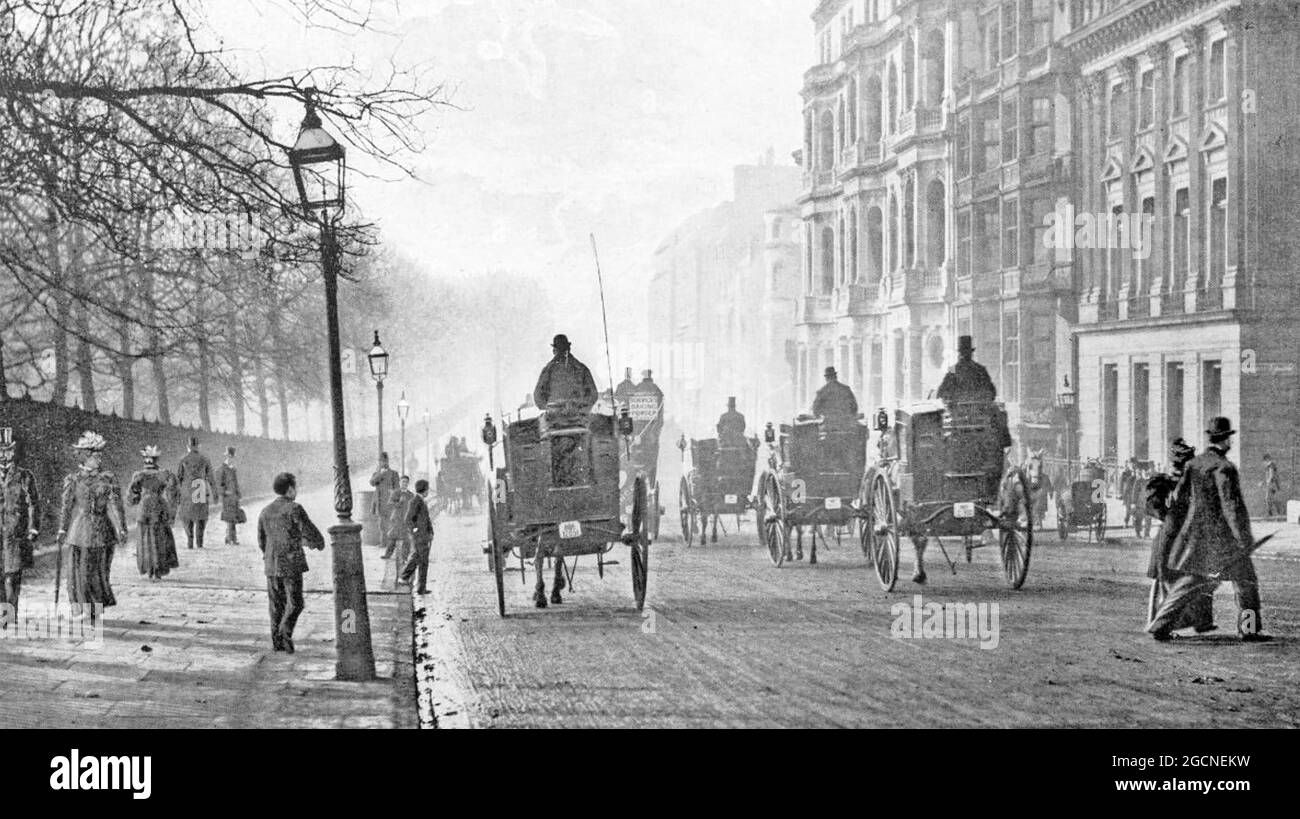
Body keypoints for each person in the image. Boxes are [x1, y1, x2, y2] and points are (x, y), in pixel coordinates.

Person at [1148, 418, 1271, 642]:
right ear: (1225, 440)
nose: (1230, 442)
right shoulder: (1224, 467)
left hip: (1196, 539)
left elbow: (1178, 498)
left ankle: (1160, 625)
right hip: (1224, 541)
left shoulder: (1193, 464)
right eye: (1229, 438)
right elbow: (1231, 506)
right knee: (1246, 583)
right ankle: (1250, 630)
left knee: (1190, 583)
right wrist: (1243, 538)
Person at [1144, 439, 1213, 634]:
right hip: (1172, 537)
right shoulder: (1165, 481)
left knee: (1195, 577)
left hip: (1190, 537)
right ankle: (1161, 625)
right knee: (1168, 581)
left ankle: (1199, 620)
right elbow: (1152, 506)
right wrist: (1169, 517)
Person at [57, 431, 128, 622]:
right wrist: (62, 529)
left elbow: (116, 504)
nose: (99, 459)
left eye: (100, 456)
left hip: (103, 530)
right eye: (95, 456)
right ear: (85, 458)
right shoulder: (73, 480)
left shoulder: (108, 479)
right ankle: (81, 608)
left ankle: (96, 608)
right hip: (79, 530)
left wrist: (122, 527)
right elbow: (66, 507)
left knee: (99, 571)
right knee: (79, 572)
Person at [257, 473, 325, 653]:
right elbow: (309, 531)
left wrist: (270, 555)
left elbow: (261, 541)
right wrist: (318, 543)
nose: (297, 491)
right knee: (296, 603)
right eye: (295, 487)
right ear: (290, 489)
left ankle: (277, 642)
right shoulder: (294, 508)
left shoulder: (265, 510)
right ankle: (284, 632)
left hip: (271, 564)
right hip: (291, 563)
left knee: (275, 605)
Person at [0, 429, 39, 628]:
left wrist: (32, 528)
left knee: (12, 575)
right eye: (1, 450)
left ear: (13, 452)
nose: (3, 454)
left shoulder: (24, 476)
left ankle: (9, 615)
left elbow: (33, 503)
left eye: (7, 451)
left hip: (15, 533)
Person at [128, 446, 180, 581]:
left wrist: (137, 499)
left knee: (145, 538)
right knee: (160, 537)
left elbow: (131, 497)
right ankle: (159, 569)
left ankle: (149, 568)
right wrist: (171, 510)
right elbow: (173, 492)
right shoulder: (164, 474)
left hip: (144, 508)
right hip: (159, 506)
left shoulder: (139, 475)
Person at [533, 334, 599, 413]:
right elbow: (593, 395)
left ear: (554, 350)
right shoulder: (581, 368)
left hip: (555, 417)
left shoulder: (548, 370)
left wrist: (549, 407)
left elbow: (538, 397)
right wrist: (582, 408)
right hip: (577, 417)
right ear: (568, 348)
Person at [176, 437, 214, 549]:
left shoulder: (183, 460)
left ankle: (190, 540)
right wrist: (214, 493)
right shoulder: (205, 459)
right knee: (201, 516)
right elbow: (211, 477)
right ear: (198, 446)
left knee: (187, 515)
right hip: (200, 489)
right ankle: (200, 542)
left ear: (188, 447)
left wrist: (178, 494)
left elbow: (179, 478)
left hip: (187, 490)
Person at [936, 336, 997, 404]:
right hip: (977, 410)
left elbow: (941, 392)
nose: (965, 354)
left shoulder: (954, 369)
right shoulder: (980, 369)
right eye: (964, 352)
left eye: (965, 352)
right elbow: (992, 393)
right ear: (971, 353)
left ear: (959, 353)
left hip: (959, 411)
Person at [399, 479, 434, 595]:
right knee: (421, 561)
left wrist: (430, 532)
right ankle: (413, 583)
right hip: (420, 536)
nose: (428, 491)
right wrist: (415, 531)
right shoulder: (416, 501)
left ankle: (415, 584)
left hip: (424, 536)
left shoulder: (420, 500)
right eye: (428, 489)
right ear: (425, 489)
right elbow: (408, 519)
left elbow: (426, 519)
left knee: (419, 558)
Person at [382, 475, 415, 564]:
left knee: (406, 539)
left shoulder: (411, 495)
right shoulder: (395, 493)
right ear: (400, 483)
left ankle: (404, 557)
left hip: (406, 519)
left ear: (408, 484)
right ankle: (388, 554)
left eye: (406, 482)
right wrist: (399, 502)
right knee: (392, 537)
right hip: (396, 518)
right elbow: (390, 504)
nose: (404, 483)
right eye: (403, 482)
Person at [369, 453, 400, 547]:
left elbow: (397, 488)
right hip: (379, 502)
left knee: (391, 524)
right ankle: (383, 543)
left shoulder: (394, 473)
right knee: (382, 524)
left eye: (384, 461)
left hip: (390, 502)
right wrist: (380, 474)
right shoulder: (376, 473)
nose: (383, 463)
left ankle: (391, 544)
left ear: (388, 461)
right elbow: (372, 482)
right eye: (381, 461)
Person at [216, 446, 243, 546]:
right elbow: (219, 484)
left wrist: (238, 493)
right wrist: (225, 492)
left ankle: (229, 537)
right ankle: (231, 538)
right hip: (227, 497)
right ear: (226, 457)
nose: (230, 458)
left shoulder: (233, 469)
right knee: (230, 518)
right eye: (229, 456)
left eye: (232, 457)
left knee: (233, 518)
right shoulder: (222, 469)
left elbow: (235, 483)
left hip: (234, 497)